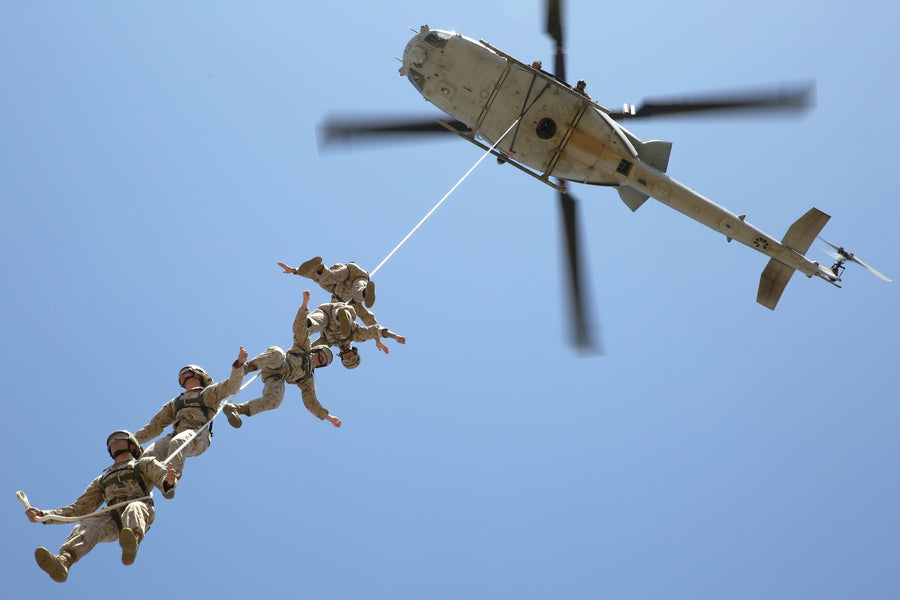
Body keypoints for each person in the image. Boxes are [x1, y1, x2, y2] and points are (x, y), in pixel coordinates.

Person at [25, 430, 177, 582]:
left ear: (132, 446)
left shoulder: (144, 463)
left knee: (134, 507)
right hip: (113, 519)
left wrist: (169, 481)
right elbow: (80, 508)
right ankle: (64, 562)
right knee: (87, 525)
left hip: (140, 510)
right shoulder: (102, 480)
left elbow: (163, 478)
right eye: (111, 441)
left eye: (119, 438)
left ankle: (132, 541)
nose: (114, 442)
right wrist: (44, 516)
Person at [223, 290, 341, 429]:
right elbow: (300, 329)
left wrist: (329, 418)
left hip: (277, 378)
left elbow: (311, 402)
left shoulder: (308, 379)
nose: (319, 359)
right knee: (278, 352)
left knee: (275, 401)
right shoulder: (304, 348)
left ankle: (236, 410)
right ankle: (246, 368)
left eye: (322, 361)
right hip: (276, 362)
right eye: (320, 355)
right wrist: (304, 305)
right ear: (315, 350)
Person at [134, 347, 247, 478]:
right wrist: (131, 441)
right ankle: (139, 491)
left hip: (198, 434)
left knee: (177, 443)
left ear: (197, 374)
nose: (181, 376)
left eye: (185, 372)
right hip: (176, 434)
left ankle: (171, 478)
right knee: (145, 459)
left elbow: (232, 386)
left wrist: (239, 364)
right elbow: (154, 427)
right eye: (180, 374)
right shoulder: (176, 402)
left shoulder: (208, 393)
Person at [306, 301, 406, 369]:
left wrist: (300, 358)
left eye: (346, 361)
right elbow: (374, 330)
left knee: (317, 323)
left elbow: (310, 349)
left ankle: (307, 323)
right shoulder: (355, 336)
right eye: (352, 358)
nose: (349, 358)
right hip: (341, 310)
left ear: (342, 358)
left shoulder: (328, 342)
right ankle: (342, 317)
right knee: (344, 321)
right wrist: (394, 336)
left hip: (325, 314)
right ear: (355, 352)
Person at [282, 258, 378, 327]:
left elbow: (315, 276)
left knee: (329, 278)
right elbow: (366, 315)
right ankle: (365, 292)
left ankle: (319, 267)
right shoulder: (350, 302)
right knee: (357, 291)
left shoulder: (332, 289)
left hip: (350, 272)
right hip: (357, 275)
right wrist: (377, 336)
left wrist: (295, 271)